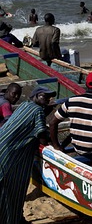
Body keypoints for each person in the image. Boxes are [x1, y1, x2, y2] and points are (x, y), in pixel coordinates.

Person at [0, 85, 56, 224]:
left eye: (49, 97)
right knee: (13, 188)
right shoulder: (38, 111)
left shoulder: (25, 105)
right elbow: (41, 135)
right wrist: (54, 145)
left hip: (3, 148)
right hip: (11, 155)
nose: (47, 100)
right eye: (44, 96)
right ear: (35, 96)